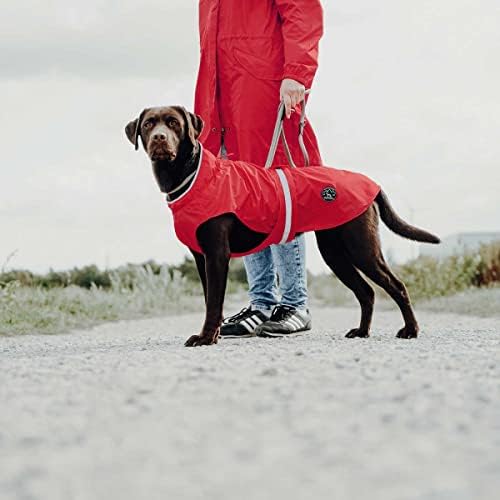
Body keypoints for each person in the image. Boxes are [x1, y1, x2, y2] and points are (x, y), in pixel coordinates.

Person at [194, 0, 324, 337]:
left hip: (263, 90)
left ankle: (295, 303)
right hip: (223, 100)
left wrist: (297, 71)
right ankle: (262, 302)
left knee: (279, 191)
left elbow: (302, 11)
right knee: (241, 198)